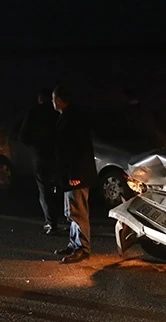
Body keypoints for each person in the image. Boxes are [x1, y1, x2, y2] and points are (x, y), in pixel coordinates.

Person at [51, 85, 97, 264]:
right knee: (71, 210)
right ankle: (73, 243)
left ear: (61, 100)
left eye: (54, 98)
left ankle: (82, 248)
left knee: (78, 211)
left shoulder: (73, 118)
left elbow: (79, 149)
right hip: (71, 174)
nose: (52, 102)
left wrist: (75, 173)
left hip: (77, 174)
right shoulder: (67, 116)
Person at [19, 88, 63, 235]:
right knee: (61, 186)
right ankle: (68, 217)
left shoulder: (34, 113)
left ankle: (51, 222)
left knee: (44, 189)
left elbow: (23, 136)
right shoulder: (57, 112)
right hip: (58, 155)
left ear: (39, 100)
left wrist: (35, 147)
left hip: (41, 157)